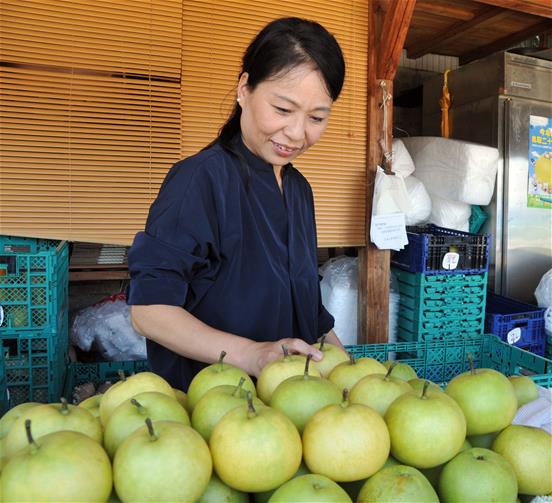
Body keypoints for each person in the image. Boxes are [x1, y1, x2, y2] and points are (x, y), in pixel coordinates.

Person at [127, 17, 346, 391]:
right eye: (282, 109)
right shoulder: (200, 180)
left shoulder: (299, 190)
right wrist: (251, 354)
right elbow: (150, 311)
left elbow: (309, 313)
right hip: (210, 412)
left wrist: (347, 377)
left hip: (289, 408)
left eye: (316, 117)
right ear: (244, 89)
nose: (296, 133)